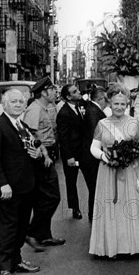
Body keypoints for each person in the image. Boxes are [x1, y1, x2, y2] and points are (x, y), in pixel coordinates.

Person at [89, 84, 139, 257]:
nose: (119, 107)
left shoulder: (134, 123)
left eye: (122, 104)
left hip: (130, 170)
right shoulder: (102, 124)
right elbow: (94, 147)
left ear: (127, 105)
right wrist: (105, 157)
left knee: (131, 206)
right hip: (108, 171)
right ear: (110, 103)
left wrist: (135, 153)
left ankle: (132, 245)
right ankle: (112, 246)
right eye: (115, 104)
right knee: (112, 207)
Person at [0, 89, 42, 275]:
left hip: (26, 186)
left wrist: (37, 154)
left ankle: (17, 260)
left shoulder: (22, 125)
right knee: (8, 228)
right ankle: (5, 267)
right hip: (8, 188)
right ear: (4, 105)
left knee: (21, 226)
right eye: (13, 101)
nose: (17, 104)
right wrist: (2, 184)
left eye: (20, 101)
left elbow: (28, 151)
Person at [22, 77, 65, 250]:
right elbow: (31, 135)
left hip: (48, 155)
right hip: (41, 157)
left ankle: (44, 235)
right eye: (52, 89)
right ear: (44, 92)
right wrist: (44, 154)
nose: (55, 92)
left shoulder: (45, 108)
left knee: (43, 199)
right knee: (52, 197)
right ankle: (32, 233)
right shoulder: (34, 110)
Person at [56, 84, 87, 220]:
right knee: (71, 181)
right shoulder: (63, 113)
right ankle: (75, 208)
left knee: (90, 178)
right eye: (75, 92)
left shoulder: (81, 105)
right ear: (68, 97)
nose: (78, 92)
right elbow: (63, 138)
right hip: (72, 153)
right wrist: (69, 156)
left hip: (83, 151)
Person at [80, 86, 107, 221]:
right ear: (100, 99)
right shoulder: (93, 111)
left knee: (95, 187)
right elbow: (94, 135)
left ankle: (94, 215)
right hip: (90, 158)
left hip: (90, 157)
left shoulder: (92, 109)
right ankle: (94, 216)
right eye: (106, 99)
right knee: (95, 187)